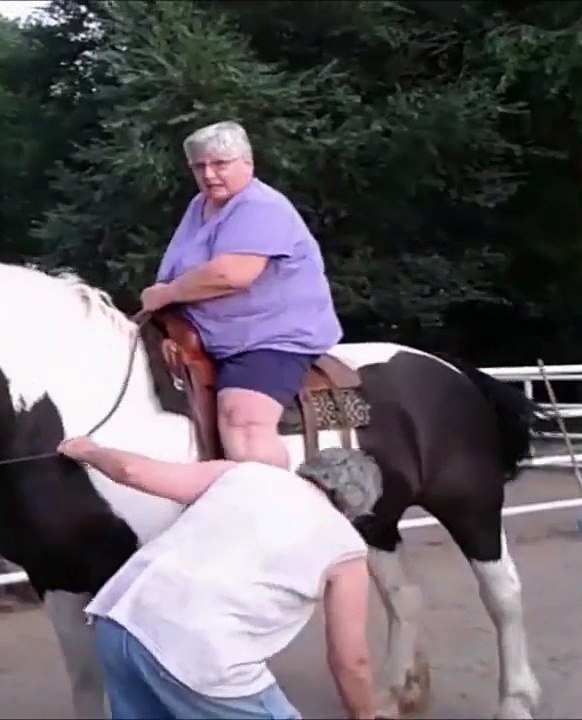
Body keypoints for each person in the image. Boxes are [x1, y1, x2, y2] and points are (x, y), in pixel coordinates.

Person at [57, 435, 376, 720]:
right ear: (354, 508)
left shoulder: (243, 473)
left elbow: (131, 472)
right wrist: (363, 714)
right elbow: (351, 660)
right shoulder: (346, 548)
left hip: (121, 621)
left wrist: (89, 450)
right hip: (199, 653)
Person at [140, 120, 343, 470]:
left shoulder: (261, 206)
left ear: (247, 163)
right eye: (199, 166)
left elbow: (231, 274)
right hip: (203, 333)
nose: (210, 174)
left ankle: (273, 509)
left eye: (220, 164)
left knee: (243, 421)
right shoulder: (200, 205)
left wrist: (167, 293)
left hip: (267, 337)